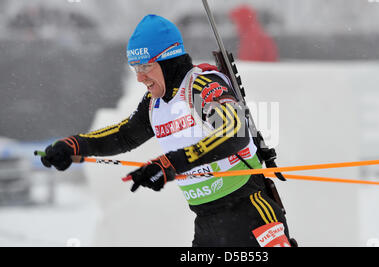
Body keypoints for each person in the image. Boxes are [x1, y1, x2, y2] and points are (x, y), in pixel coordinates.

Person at [39, 14, 293, 247]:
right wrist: (73, 145)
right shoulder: (156, 103)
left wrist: (172, 162)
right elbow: (125, 135)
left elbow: (232, 131)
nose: (140, 78)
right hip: (207, 224)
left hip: (249, 212)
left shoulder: (198, 87)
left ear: (168, 60)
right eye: (135, 68)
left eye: (145, 67)